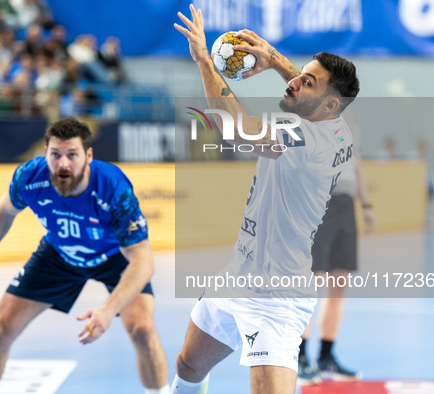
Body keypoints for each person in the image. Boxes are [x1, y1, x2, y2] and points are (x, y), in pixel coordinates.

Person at [173, 5, 359, 394]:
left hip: (276, 297)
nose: (294, 84)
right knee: (189, 364)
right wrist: (274, 59)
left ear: (327, 105)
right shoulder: (339, 128)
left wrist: (205, 61)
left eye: (308, 83)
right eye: (302, 76)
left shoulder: (305, 138)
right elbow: (315, 91)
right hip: (238, 273)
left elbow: (237, 130)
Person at [0, 118, 170, 394]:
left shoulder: (113, 188)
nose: (63, 164)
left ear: (88, 156)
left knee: (143, 331)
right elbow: (4, 211)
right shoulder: (30, 176)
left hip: (114, 257)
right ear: (45, 154)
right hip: (59, 253)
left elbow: (143, 262)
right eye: (55, 155)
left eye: (72, 155)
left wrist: (109, 309)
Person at [297, 123, 375, 383]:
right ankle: (299, 357)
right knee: (312, 282)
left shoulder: (348, 119)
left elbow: (357, 163)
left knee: (339, 282)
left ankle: (326, 356)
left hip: (345, 203)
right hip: (318, 200)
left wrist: (366, 204)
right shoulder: (310, 113)